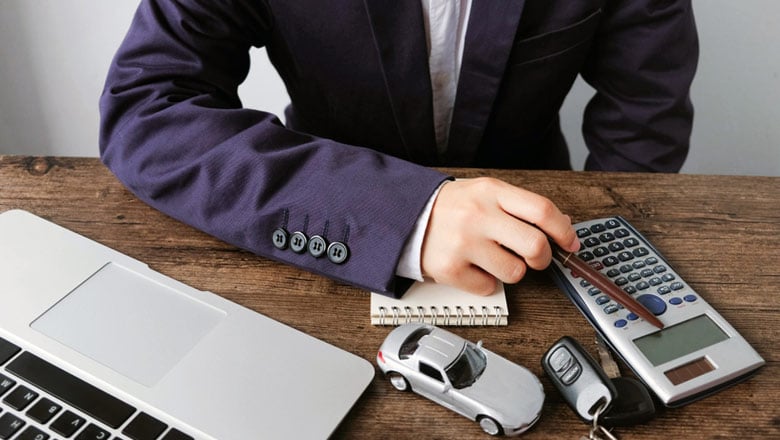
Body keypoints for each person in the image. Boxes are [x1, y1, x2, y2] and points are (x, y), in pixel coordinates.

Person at [99, 0, 698, 298]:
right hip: (308, 236)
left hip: (539, 253)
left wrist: (599, 250)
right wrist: (405, 215)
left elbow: (646, 111)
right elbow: (147, 108)